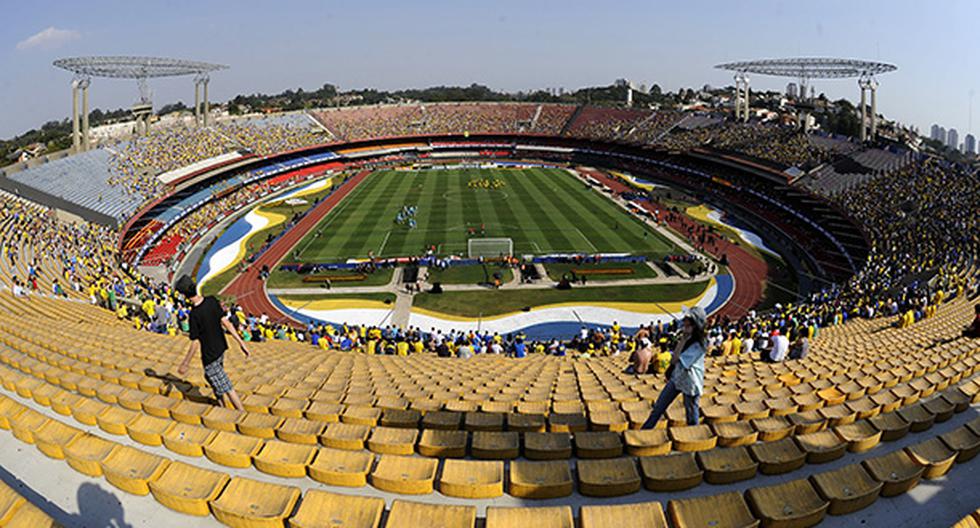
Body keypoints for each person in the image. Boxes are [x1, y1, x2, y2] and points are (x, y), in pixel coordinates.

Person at [174, 275, 250, 411]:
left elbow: (195, 342)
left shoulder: (194, 315)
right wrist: (240, 342)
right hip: (221, 348)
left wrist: (185, 363)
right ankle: (221, 406)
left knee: (225, 385)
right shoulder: (212, 301)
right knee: (214, 380)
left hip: (210, 355)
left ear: (184, 295)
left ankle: (241, 413)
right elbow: (226, 322)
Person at [643, 307, 707, 428]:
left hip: (691, 383)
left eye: (688, 321)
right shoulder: (687, 338)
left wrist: (683, 338)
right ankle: (645, 429)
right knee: (658, 408)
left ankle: (695, 441)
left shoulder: (699, 345)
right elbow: (673, 360)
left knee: (692, 417)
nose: (684, 323)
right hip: (677, 378)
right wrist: (683, 338)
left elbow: (676, 359)